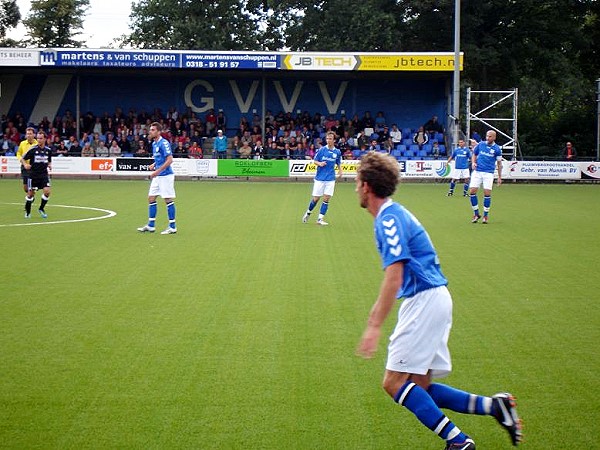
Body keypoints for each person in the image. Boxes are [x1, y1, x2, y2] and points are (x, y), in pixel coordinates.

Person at [355, 152, 522, 450]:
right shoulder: (395, 213)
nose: (355, 188)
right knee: (420, 386)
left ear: (366, 186)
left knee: (393, 383)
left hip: (424, 300)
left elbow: (395, 274)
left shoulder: (388, 219)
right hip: (434, 297)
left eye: (357, 182)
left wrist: (373, 326)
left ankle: (458, 442)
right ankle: (495, 407)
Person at [137, 122, 177, 235]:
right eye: (150, 130)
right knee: (151, 198)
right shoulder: (154, 144)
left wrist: (157, 171)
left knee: (168, 200)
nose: (150, 131)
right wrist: (154, 164)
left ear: (159, 132)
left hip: (166, 176)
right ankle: (151, 225)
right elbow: (161, 158)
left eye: (153, 130)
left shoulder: (164, 143)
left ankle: (172, 227)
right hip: (158, 176)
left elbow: (169, 160)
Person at [301, 131, 343, 226]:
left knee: (326, 198)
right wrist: (320, 163)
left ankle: (320, 219)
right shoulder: (322, 150)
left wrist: (340, 170)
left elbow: (338, 162)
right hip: (320, 178)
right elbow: (315, 161)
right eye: (327, 139)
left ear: (334, 140)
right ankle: (308, 212)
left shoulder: (337, 152)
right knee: (316, 199)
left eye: (330, 139)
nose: (328, 140)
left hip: (330, 178)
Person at [469, 130, 503, 224]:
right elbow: (474, 154)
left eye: (490, 136)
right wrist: (473, 162)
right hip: (477, 171)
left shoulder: (497, 149)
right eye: (487, 136)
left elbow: (499, 164)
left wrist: (499, 177)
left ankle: (485, 216)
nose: (488, 138)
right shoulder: (481, 144)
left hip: (488, 173)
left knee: (487, 193)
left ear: (494, 138)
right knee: (472, 191)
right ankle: (476, 214)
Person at [21, 130, 52, 219]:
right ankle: (28, 212)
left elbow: (49, 160)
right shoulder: (33, 149)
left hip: (44, 175)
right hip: (33, 176)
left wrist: (50, 165)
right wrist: (25, 164)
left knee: (47, 192)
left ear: (45, 139)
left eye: (41, 138)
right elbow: (22, 159)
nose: (39, 140)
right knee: (30, 194)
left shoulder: (48, 150)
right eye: (38, 138)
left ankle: (41, 209)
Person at [16, 127, 38, 194]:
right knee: (26, 188)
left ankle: (31, 196)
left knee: (31, 186)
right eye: (27, 134)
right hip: (24, 167)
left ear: (34, 135)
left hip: (34, 167)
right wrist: (24, 163)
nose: (28, 135)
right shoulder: (22, 143)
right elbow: (18, 153)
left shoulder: (37, 144)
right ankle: (31, 194)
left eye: (30, 134)